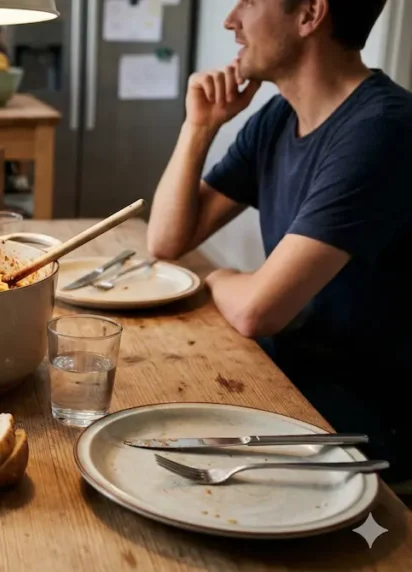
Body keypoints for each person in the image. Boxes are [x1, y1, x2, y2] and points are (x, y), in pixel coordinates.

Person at [147, 0, 412, 485]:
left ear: (310, 14)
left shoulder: (383, 130)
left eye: (248, 1)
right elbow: (166, 240)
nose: (231, 20)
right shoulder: (277, 118)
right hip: (288, 393)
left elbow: (256, 311)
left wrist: (218, 277)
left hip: (362, 442)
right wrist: (199, 127)